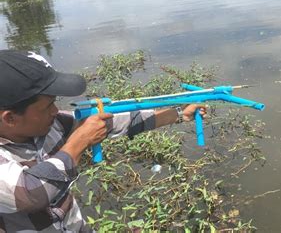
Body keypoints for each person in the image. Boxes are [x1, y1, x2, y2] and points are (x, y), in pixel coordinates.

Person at [0, 50, 206, 232]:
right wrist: (78, 142)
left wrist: (178, 114)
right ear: (9, 118)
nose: (55, 111)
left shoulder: (50, 124)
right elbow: (30, 194)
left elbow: (114, 122)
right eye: (47, 107)